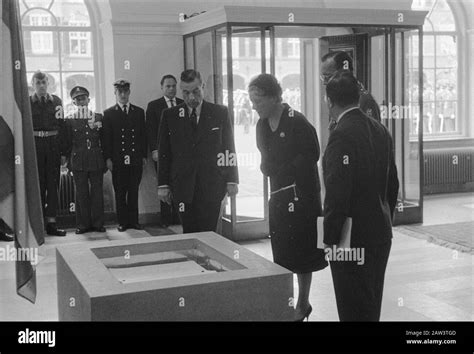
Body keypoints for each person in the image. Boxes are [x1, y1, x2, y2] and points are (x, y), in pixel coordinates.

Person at [322, 70, 399, 321]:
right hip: (379, 233)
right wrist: (386, 218)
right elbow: (393, 184)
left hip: (350, 238)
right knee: (371, 304)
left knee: (352, 306)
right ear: (358, 96)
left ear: (329, 101)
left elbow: (337, 195)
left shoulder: (341, 135)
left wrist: (329, 239)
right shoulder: (380, 130)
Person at [250, 73, 328, 321]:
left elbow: (311, 154)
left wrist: (285, 170)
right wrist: (266, 167)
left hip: (302, 197)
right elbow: (264, 156)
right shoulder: (262, 125)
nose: (254, 107)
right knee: (282, 250)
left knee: (303, 251)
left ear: (274, 97)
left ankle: (303, 303)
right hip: (279, 196)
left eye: (258, 101)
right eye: (252, 102)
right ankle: (288, 299)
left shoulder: (297, 121)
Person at [157, 69, 239, 233]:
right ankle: (194, 260)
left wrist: (232, 180)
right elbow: (164, 152)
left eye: (195, 91)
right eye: (186, 93)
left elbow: (228, 147)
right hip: (182, 186)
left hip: (212, 185)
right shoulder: (170, 115)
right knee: (189, 232)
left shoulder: (219, 113)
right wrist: (163, 184)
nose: (191, 97)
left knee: (209, 233)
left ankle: (207, 260)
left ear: (203, 86)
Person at [103, 79, 147, 232]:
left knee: (133, 190)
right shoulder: (108, 114)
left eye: (125, 91)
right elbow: (107, 138)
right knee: (120, 192)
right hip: (118, 159)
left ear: (129, 92)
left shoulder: (139, 112)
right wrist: (108, 158)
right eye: (119, 92)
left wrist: (143, 156)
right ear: (115, 93)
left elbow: (143, 135)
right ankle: (122, 222)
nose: (122, 94)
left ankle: (134, 221)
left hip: (135, 158)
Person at [62, 86, 106, 234]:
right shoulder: (69, 121)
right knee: (81, 193)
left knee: (97, 193)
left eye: (83, 98)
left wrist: (106, 159)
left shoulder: (98, 117)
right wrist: (68, 163)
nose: (81, 101)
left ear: (88, 100)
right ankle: (82, 225)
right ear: (74, 103)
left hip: (95, 158)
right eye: (77, 99)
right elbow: (67, 143)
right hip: (78, 160)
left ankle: (98, 223)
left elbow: (104, 140)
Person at [30, 71, 66, 236]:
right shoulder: (28, 102)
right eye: (38, 83)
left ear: (48, 84)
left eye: (44, 82)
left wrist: (63, 152)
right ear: (33, 85)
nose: (42, 86)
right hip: (36, 145)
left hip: (53, 146)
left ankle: (51, 223)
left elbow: (61, 125)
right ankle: (37, 224)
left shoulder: (56, 101)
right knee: (38, 185)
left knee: (53, 184)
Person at [145, 74, 184, 227]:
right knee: (164, 184)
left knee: (180, 184)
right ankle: (166, 219)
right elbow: (151, 130)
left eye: (174, 86)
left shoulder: (182, 103)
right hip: (162, 153)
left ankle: (178, 217)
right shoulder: (154, 105)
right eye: (168, 86)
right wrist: (155, 150)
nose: (171, 89)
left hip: (180, 154)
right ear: (162, 87)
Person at [321, 51, 381, 125]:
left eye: (328, 77)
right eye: (323, 77)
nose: (324, 82)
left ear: (343, 73)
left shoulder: (365, 100)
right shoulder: (337, 97)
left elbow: (372, 133)